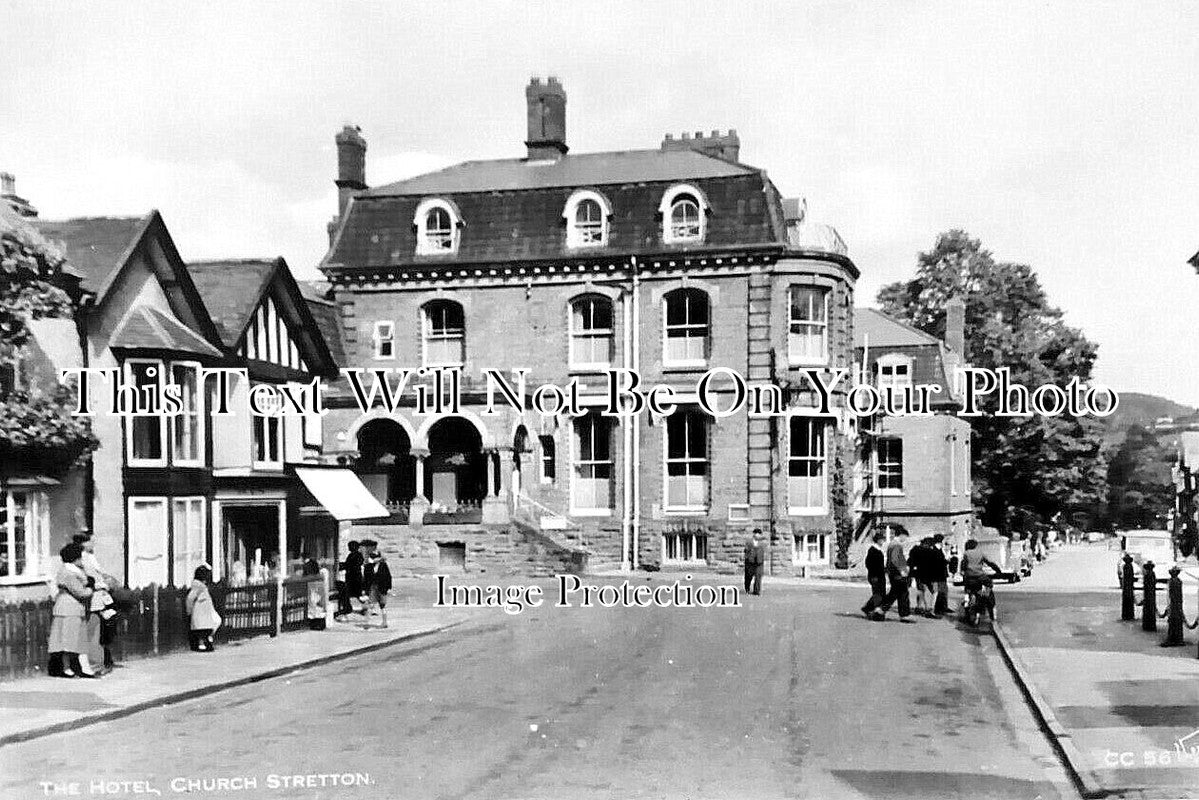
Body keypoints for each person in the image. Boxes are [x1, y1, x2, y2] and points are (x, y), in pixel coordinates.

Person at [48, 543, 96, 678]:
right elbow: (80, 592)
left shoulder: (70, 571)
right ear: (74, 559)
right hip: (70, 609)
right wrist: (91, 589)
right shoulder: (69, 573)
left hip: (68, 609)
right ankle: (76, 669)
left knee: (71, 640)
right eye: (79, 557)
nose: (81, 560)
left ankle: (71, 669)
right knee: (72, 641)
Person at [960, 539, 1003, 619]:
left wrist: (963, 572)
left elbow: (963, 565)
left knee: (967, 588)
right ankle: (987, 599)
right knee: (989, 584)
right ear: (976, 545)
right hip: (980, 576)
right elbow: (990, 562)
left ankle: (966, 602)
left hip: (969, 577)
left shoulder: (966, 553)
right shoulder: (980, 553)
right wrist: (998, 570)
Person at [877, 529, 914, 622]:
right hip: (897, 573)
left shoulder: (892, 544)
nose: (905, 539)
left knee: (895, 593)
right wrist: (902, 570)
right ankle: (904, 614)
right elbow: (895, 559)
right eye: (905, 537)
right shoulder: (897, 545)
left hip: (893, 572)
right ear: (901, 535)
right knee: (903, 593)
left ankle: (880, 610)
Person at [186, 565, 221, 652]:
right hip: (201, 613)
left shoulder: (201, 586)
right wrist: (189, 611)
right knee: (204, 628)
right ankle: (203, 644)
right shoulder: (198, 586)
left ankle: (206, 642)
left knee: (215, 622)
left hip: (205, 613)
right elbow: (190, 598)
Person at [861, 531, 888, 619]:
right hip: (875, 576)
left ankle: (868, 608)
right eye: (882, 540)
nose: (883, 542)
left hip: (880, 575)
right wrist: (874, 573)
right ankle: (875, 611)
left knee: (880, 594)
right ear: (878, 540)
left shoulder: (879, 550)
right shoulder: (873, 550)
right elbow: (868, 563)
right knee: (878, 594)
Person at [364, 546, 392, 628]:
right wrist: (365, 589)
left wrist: (388, 588)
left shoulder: (383, 565)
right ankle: (367, 623)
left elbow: (388, 577)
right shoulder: (369, 566)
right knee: (370, 605)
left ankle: (384, 622)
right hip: (373, 587)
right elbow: (366, 578)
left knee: (382, 605)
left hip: (382, 588)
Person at [337, 540, 364, 618]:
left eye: (350, 546)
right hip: (352, 577)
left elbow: (350, 565)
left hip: (355, 578)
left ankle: (366, 607)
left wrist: (343, 566)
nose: (349, 548)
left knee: (357, 594)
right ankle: (348, 607)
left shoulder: (357, 555)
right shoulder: (353, 555)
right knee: (351, 594)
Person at [928, 534, 951, 616]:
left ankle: (940, 607)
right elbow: (940, 562)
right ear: (941, 541)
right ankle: (933, 609)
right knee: (937, 592)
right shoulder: (936, 551)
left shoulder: (936, 550)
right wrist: (947, 560)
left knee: (941, 591)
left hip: (939, 574)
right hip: (937, 574)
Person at [910, 537, 933, 616]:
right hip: (925, 573)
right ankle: (927, 608)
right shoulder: (928, 551)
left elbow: (911, 561)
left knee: (921, 590)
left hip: (917, 573)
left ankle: (919, 606)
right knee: (926, 590)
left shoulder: (914, 550)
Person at [743, 529, 766, 596]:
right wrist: (747, 558)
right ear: (753, 534)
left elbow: (764, 551)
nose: (757, 535)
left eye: (759, 533)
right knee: (748, 576)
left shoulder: (762, 543)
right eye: (756, 533)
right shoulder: (749, 542)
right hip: (750, 562)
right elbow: (746, 551)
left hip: (759, 562)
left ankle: (757, 591)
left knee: (758, 577)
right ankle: (747, 588)